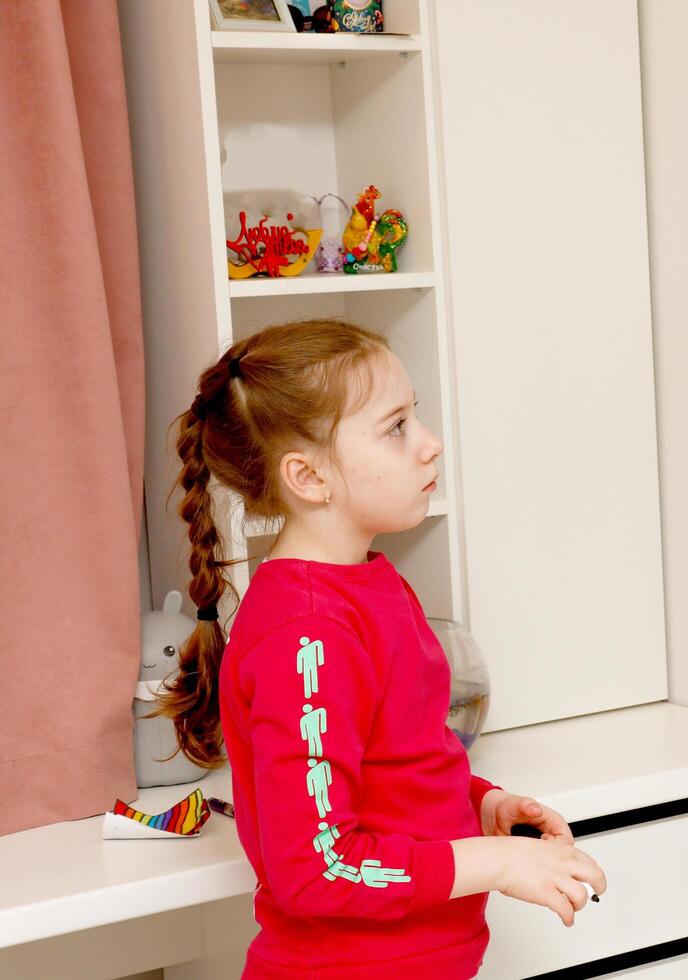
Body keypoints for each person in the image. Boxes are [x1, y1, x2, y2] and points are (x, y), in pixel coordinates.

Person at [149, 319, 606, 978]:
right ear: (308, 477)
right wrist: (496, 863)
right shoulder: (305, 634)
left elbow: (399, 766)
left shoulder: (373, 582)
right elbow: (316, 865)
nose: (430, 444)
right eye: (396, 428)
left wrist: (480, 806)